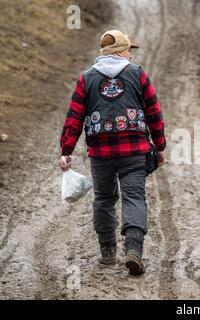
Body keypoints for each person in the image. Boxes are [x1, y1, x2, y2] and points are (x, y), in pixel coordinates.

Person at [59, 30, 166, 276]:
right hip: (134, 150)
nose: (130, 54)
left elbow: (74, 117)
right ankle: (134, 250)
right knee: (134, 197)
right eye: (129, 50)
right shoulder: (138, 74)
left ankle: (107, 252)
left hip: (100, 153)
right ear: (120, 51)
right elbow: (154, 114)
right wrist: (160, 148)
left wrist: (66, 151)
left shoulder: (86, 79)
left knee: (104, 199)